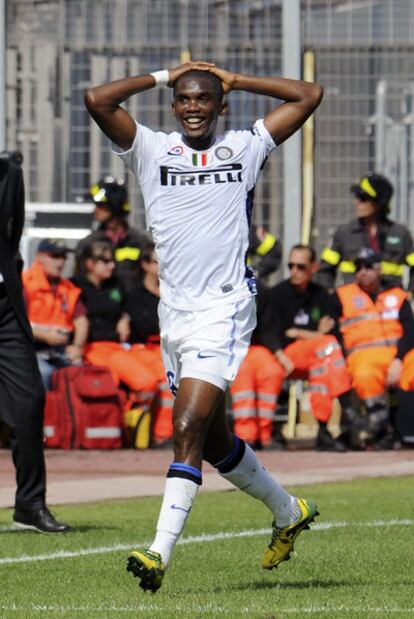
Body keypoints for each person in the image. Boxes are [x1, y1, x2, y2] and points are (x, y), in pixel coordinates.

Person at [85, 59, 323, 592]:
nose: (194, 106)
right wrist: (167, 74)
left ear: (221, 106)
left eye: (205, 98)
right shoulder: (151, 148)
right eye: (185, 98)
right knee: (214, 443)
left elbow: (308, 94)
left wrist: (238, 78)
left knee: (186, 428)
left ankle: (157, 553)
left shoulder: (244, 146)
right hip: (177, 315)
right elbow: (98, 99)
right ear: (175, 106)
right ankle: (289, 512)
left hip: (224, 308)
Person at [0, 158, 69, 533]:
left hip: (5, 305)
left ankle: (29, 505)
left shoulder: (9, 172)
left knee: (29, 401)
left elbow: (10, 234)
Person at [261, 244, 354, 451]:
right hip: (285, 356)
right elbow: (278, 334)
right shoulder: (277, 295)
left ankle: (323, 428)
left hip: (316, 357)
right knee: (326, 348)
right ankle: (347, 416)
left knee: (325, 356)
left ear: (313, 267)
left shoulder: (322, 295)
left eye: (301, 266)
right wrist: (315, 334)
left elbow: (333, 334)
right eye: (290, 265)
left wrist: (300, 333)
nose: (294, 271)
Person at [332, 248, 414, 449]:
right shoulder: (343, 295)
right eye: (358, 267)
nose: (363, 271)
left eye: (368, 266)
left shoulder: (397, 295)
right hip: (362, 355)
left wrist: (398, 360)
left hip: (398, 355)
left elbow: (410, 332)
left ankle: (408, 431)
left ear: (380, 269)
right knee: (365, 374)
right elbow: (331, 330)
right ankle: (382, 431)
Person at [73, 238, 164, 415]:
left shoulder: (116, 285)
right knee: (143, 381)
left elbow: (126, 309)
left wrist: (124, 318)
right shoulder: (75, 286)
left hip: (118, 348)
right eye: (106, 261)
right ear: (90, 263)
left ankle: (133, 426)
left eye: (112, 261)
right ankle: (130, 425)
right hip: (93, 348)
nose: (112, 266)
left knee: (155, 379)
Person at [317, 173, 414, 293]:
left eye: (362, 198)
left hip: (389, 304)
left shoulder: (400, 233)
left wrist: (410, 293)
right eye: (356, 197)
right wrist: (329, 295)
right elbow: (325, 269)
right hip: (354, 304)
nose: (356, 202)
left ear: (378, 203)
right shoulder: (344, 233)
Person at [22, 239, 88, 390]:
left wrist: (77, 347)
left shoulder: (68, 288)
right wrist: (45, 336)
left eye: (63, 257)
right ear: (40, 257)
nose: (60, 263)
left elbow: (81, 320)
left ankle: (71, 414)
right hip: (31, 350)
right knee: (45, 374)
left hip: (60, 351)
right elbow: (16, 323)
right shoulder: (25, 283)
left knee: (81, 373)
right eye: (55, 257)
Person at [125, 243, 174, 447]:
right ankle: (161, 435)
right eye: (158, 261)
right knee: (166, 380)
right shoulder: (135, 295)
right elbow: (145, 326)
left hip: (168, 348)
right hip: (143, 348)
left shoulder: (173, 294)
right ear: (145, 265)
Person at [230, 283, 286, 450]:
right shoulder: (216, 284)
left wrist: (279, 354)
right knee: (244, 372)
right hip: (228, 346)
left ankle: (265, 434)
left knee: (273, 371)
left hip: (254, 345)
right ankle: (246, 436)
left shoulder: (258, 289)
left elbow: (267, 328)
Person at [77, 176, 150, 292]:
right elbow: (79, 281)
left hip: (132, 307)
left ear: (114, 205)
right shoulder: (88, 244)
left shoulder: (139, 242)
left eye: (100, 205)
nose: (95, 210)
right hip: (100, 305)